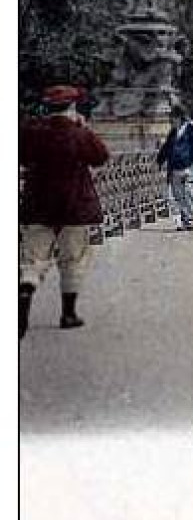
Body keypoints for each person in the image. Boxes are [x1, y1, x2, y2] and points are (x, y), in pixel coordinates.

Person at [20, 85, 108, 336]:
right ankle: (68, 313)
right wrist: (84, 128)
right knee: (73, 258)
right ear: (72, 107)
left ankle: (24, 295)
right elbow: (101, 156)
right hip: (74, 205)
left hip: (37, 203)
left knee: (32, 259)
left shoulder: (31, 131)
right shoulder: (79, 133)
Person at [156, 105, 193, 232]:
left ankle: (189, 218)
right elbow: (166, 147)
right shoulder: (173, 132)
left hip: (189, 165)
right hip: (175, 167)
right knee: (178, 195)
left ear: (179, 118)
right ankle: (186, 218)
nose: (171, 121)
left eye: (173, 118)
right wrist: (160, 160)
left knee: (187, 192)